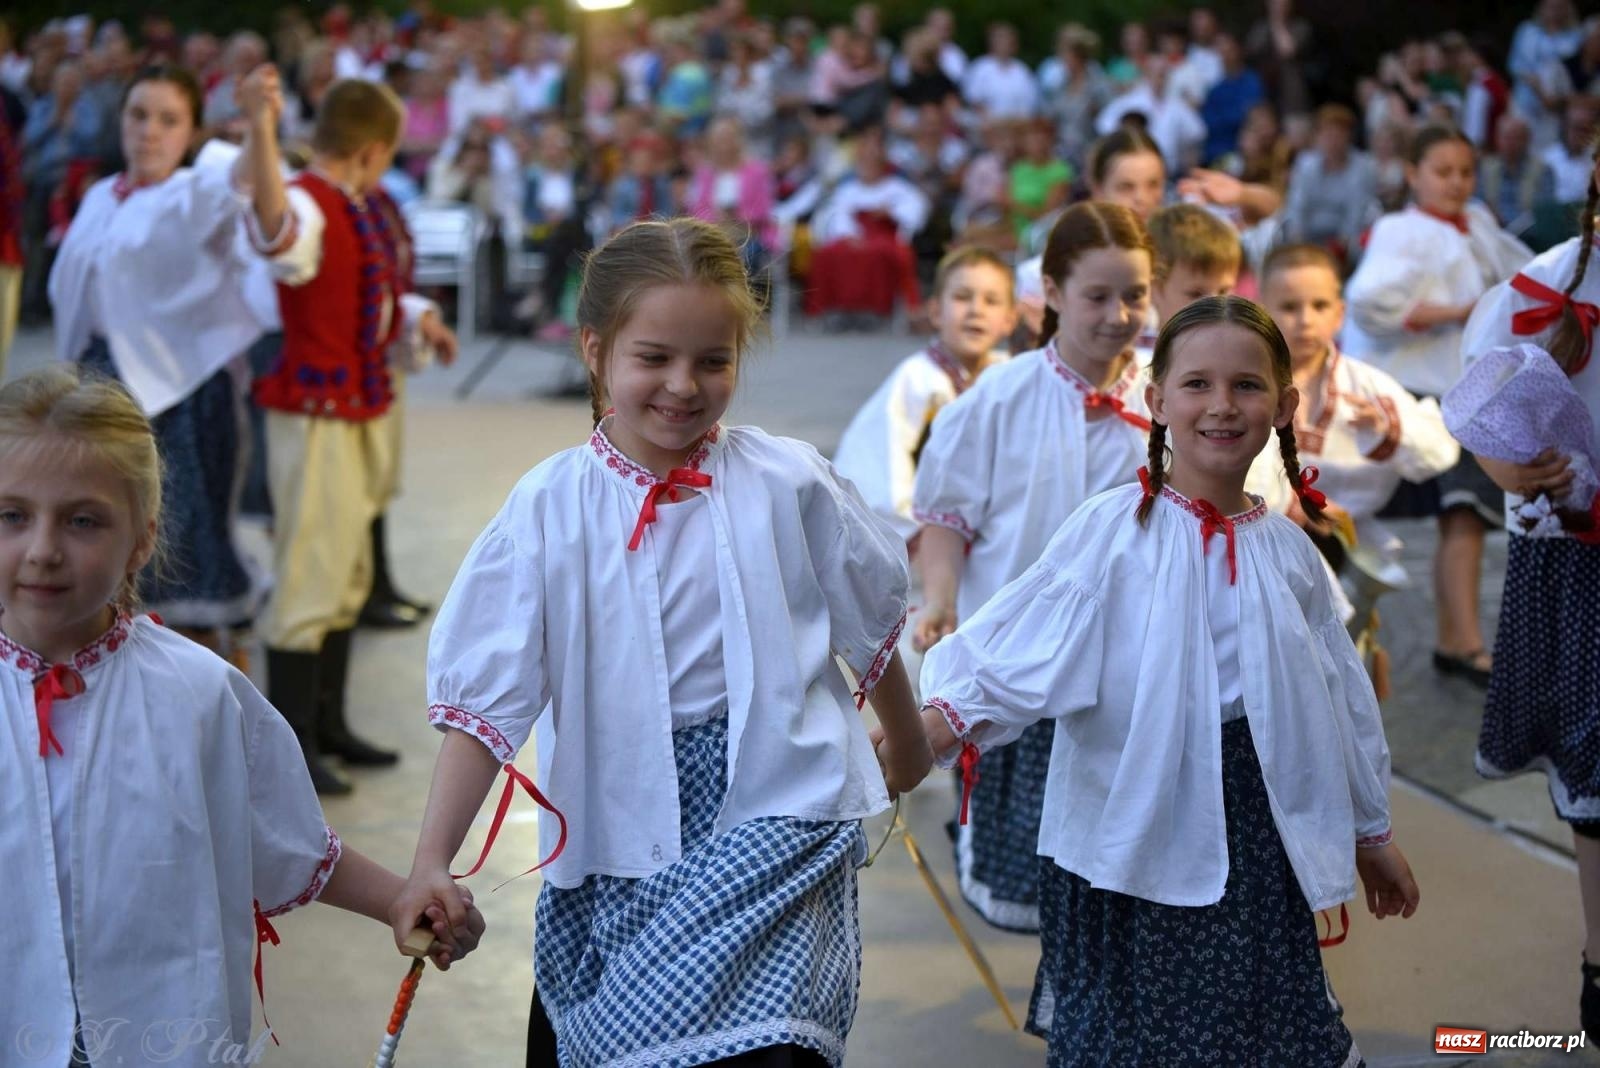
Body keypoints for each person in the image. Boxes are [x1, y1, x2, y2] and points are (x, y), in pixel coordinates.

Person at [389, 218, 930, 1067]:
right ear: (596, 351)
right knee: (616, 1045)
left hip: (776, 806)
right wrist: (431, 859)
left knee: (766, 1044)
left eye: (712, 362)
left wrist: (906, 743)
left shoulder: (787, 480)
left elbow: (872, 620)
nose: (684, 385)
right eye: (654, 358)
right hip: (618, 822)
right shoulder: (548, 508)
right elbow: (486, 704)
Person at [919, 296, 1420, 1066]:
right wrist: (925, 731)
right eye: (1197, 384)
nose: (1222, 405)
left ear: (1284, 405)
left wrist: (1369, 831)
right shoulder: (1113, 531)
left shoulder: (1290, 554)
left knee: (1253, 1027)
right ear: (1155, 401)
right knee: (1137, 1035)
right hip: (1130, 831)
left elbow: (1341, 706)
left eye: (1248, 386)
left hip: (1255, 833)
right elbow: (1015, 650)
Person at [0, 366, 483, 1068]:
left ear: (141, 538)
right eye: (11, 515)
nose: (43, 548)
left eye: (82, 520)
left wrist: (404, 899)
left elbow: (285, 842)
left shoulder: (200, 695)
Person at [911, 203, 1156, 932]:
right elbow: (947, 516)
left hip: (1129, 661)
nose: (1119, 315)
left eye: (1135, 295)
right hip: (1022, 659)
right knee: (1038, 859)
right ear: (1050, 292)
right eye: (1097, 296)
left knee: (1122, 865)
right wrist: (942, 602)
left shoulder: (1167, 395)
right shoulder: (1003, 396)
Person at [239, 74, 456, 793]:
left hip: (354, 403)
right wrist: (262, 128)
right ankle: (290, 748)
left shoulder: (351, 202)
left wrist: (414, 318)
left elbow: (371, 295)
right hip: (314, 413)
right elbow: (277, 235)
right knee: (308, 572)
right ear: (371, 150)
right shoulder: (306, 197)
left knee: (346, 574)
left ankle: (327, 722)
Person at [48, 65, 270, 661]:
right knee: (103, 539)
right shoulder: (101, 195)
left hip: (184, 394)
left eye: (168, 120)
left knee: (184, 551)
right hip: (102, 385)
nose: (149, 132)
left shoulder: (194, 191)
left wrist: (259, 124)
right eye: (138, 115)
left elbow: (244, 184)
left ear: (192, 132)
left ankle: (209, 706)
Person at [1457, 135, 1600, 1033]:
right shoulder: (1539, 286)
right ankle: (1599, 964)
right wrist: (1525, 474)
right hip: (1583, 559)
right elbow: (1485, 416)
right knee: (1599, 773)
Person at [1342, 125, 1533, 688]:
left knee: (1466, 515)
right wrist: (1461, 311)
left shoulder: (1475, 221)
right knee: (1454, 514)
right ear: (1413, 174)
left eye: (1465, 171)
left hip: (1466, 389)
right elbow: (1372, 302)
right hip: (1425, 392)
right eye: (1442, 171)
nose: (1455, 183)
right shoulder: (1403, 228)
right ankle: (1451, 643)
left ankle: (1459, 640)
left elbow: (1518, 275)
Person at [1245, 243, 1460, 606]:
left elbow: (1440, 452)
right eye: (1289, 307)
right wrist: (1289, 503)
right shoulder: (1242, 381)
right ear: (1262, 312)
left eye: (1319, 306)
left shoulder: (1367, 387)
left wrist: (1388, 430)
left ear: (1340, 313)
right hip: (1255, 543)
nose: (1306, 320)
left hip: (1342, 547)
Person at [834, 246, 1016, 541]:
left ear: (1010, 319)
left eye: (991, 301)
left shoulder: (1012, 374)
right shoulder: (917, 379)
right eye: (962, 297)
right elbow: (883, 461)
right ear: (935, 311)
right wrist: (914, 530)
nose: (976, 310)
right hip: (929, 535)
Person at [1146, 202, 1241, 341]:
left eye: (1223, 291)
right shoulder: (1138, 357)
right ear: (1153, 288)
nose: (1214, 308)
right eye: (1196, 294)